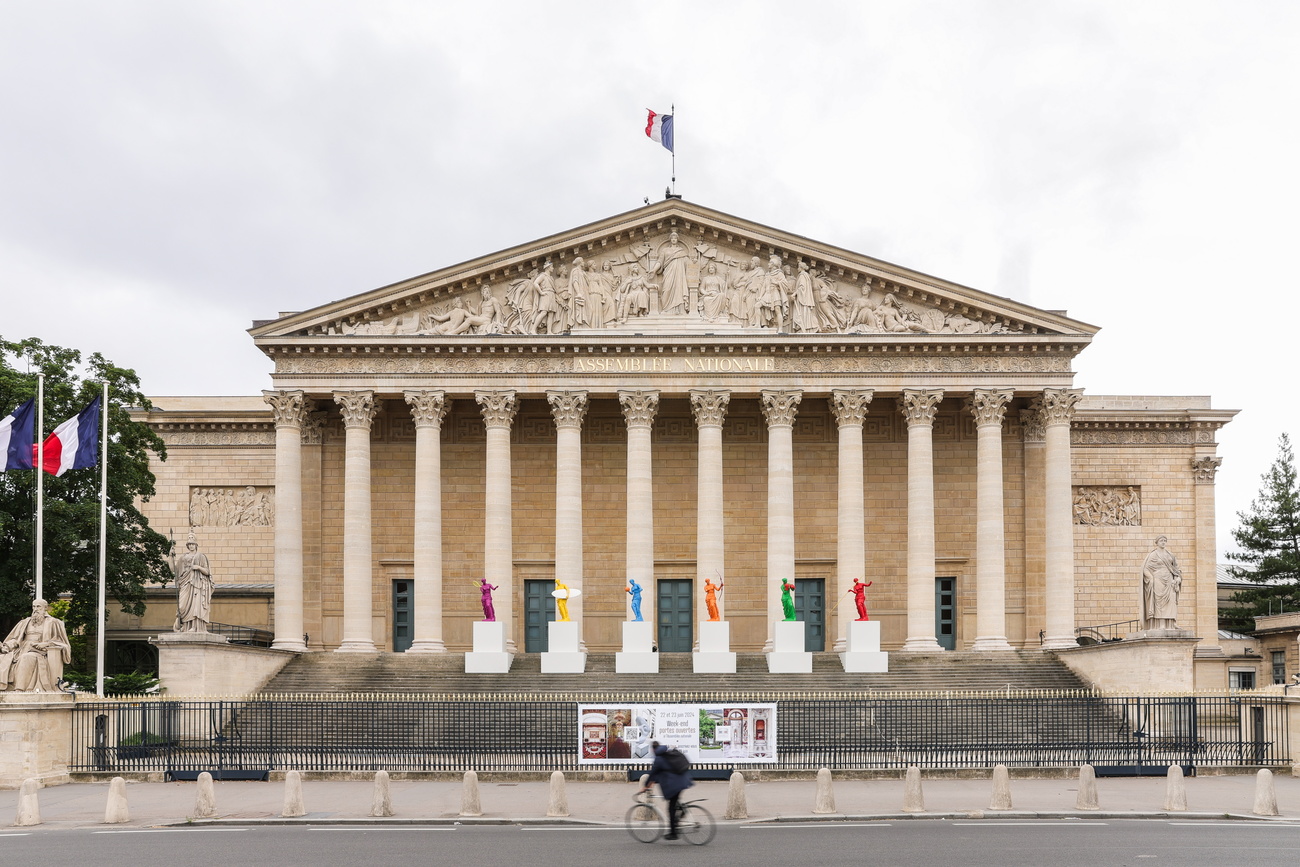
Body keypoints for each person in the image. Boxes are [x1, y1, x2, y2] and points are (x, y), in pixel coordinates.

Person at [0, 599, 72, 693]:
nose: (35, 609)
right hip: (21, 649)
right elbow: (15, 639)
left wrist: (46, 644)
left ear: (45, 608)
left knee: (26, 658)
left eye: (38, 606)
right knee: (2, 658)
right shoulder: (25, 622)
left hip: (40, 652)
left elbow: (62, 642)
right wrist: (7, 646)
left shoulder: (53, 623)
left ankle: (19, 689)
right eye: (34, 606)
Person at [639, 740, 694, 840]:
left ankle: (673, 833)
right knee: (675, 802)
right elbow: (661, 773)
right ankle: (682, 812)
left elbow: (652, 774)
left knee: (671, 808)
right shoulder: (667, 753)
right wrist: (652, 783)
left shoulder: (659, 759)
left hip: (675, 784)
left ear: (652, 749)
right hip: (683, 780)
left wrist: (645, 787)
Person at [173, 535, 213, 633]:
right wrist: (170, 556)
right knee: (182, 606)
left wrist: (198, 567)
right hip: (185, 583)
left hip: (197, 584)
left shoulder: (201, 556)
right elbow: (174, 570)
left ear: (196, 545)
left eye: (193, 544)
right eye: (189, 544)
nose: (191, 546)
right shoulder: (183, 558)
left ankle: (195, 627)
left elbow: (207, 572)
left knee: (196, 605)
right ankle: (185, 627)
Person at [1141, 535, 1182, 629]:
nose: (1163, 542)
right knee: (1159, 602)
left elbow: (1176, 569)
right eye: (1161, 540)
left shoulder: (1170, 555)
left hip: (1169, 580)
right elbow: (1145, 569)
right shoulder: (1153, 554)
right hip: (1158, 580)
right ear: (1157, 542)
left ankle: (1171, 622)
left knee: (1171, 601)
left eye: (1165, 540)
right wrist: (1150, 578)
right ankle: (1161, 623)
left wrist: (1178, 578)